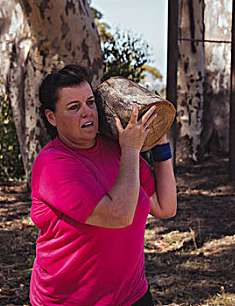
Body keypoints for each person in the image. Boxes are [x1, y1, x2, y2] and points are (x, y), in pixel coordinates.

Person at [29, 65, 177, 306]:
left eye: (90, 102)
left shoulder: (114, 147)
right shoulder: (53, 165)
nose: (87, 112)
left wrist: (160, 140)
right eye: (74, 107)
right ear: (51, 117)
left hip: (132, 295)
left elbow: (165, 206)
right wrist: (131, 148)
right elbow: (118, 215)